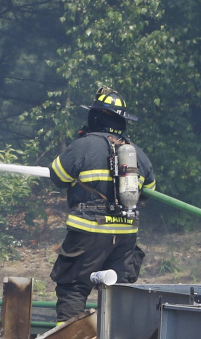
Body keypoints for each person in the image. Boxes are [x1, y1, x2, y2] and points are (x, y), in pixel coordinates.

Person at [48, 87, 156, 323]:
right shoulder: (138, 154)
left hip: (90, 231)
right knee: (119, 294)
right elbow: (149, 191)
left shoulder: (84, 146)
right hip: (125, 235)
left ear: (95, 116)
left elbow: (57, 177)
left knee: (74, 287)